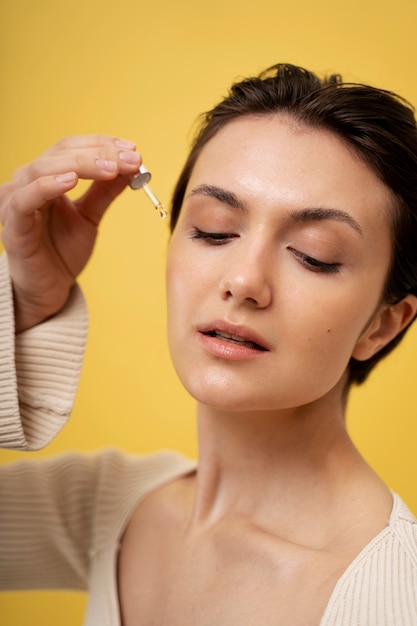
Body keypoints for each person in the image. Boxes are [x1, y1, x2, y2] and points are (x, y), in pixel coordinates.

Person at [0, 63, 417, 626]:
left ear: (383, 325)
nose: (244, 281)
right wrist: (26, 302)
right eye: (214, 229)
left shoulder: (398, 593)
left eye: (315, 255)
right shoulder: (108, 507)